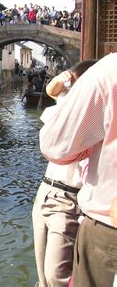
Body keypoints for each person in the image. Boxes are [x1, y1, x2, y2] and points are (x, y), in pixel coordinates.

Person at [39, 53, 117, 287]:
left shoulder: (108, 71)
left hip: (101, 221)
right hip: (53, 191)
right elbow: (52, 90)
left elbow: (55, 147)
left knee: (55, 275)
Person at [32, 60, 97, 287]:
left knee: (56, 275)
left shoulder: (96, 113)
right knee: (42, 274)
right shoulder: (70, 108)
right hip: (45, 191)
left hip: (69, 199)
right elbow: (52, 90)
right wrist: (64, 78)